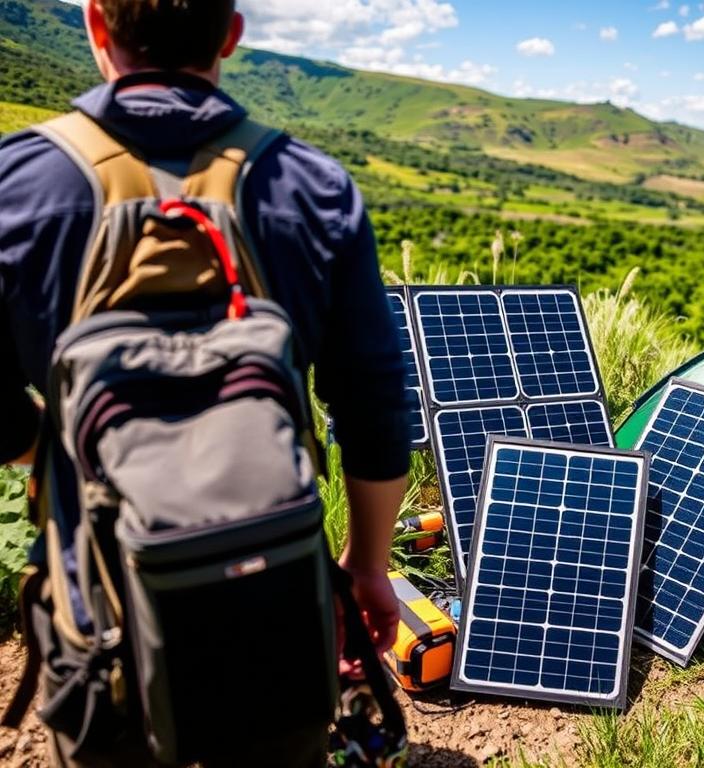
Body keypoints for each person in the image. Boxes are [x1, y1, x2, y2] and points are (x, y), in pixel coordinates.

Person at [0, 0, 409, 764]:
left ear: (95, 24)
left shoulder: (16, 186)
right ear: (231, 33)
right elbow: (376, 407)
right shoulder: (313, 189)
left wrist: (47, 450)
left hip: (99, 623)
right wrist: (366, 571)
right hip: (275, 601)